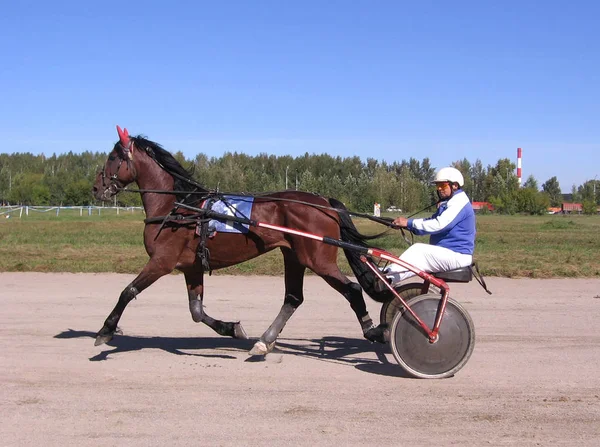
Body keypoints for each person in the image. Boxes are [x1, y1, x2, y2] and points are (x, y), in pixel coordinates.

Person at [381, 166, 476, 287]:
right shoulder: (451, 202)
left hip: (457, 255)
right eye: (438, 186)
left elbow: (439, 225)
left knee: (418, 250)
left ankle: (386, 277)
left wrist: (408, 223)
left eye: (443, 185)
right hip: (449, 253)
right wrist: (407, 225)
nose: (439, 189)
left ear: (455, 185)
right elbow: (431, 220)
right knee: (417, 261)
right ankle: (387, 275)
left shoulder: (459, 203)